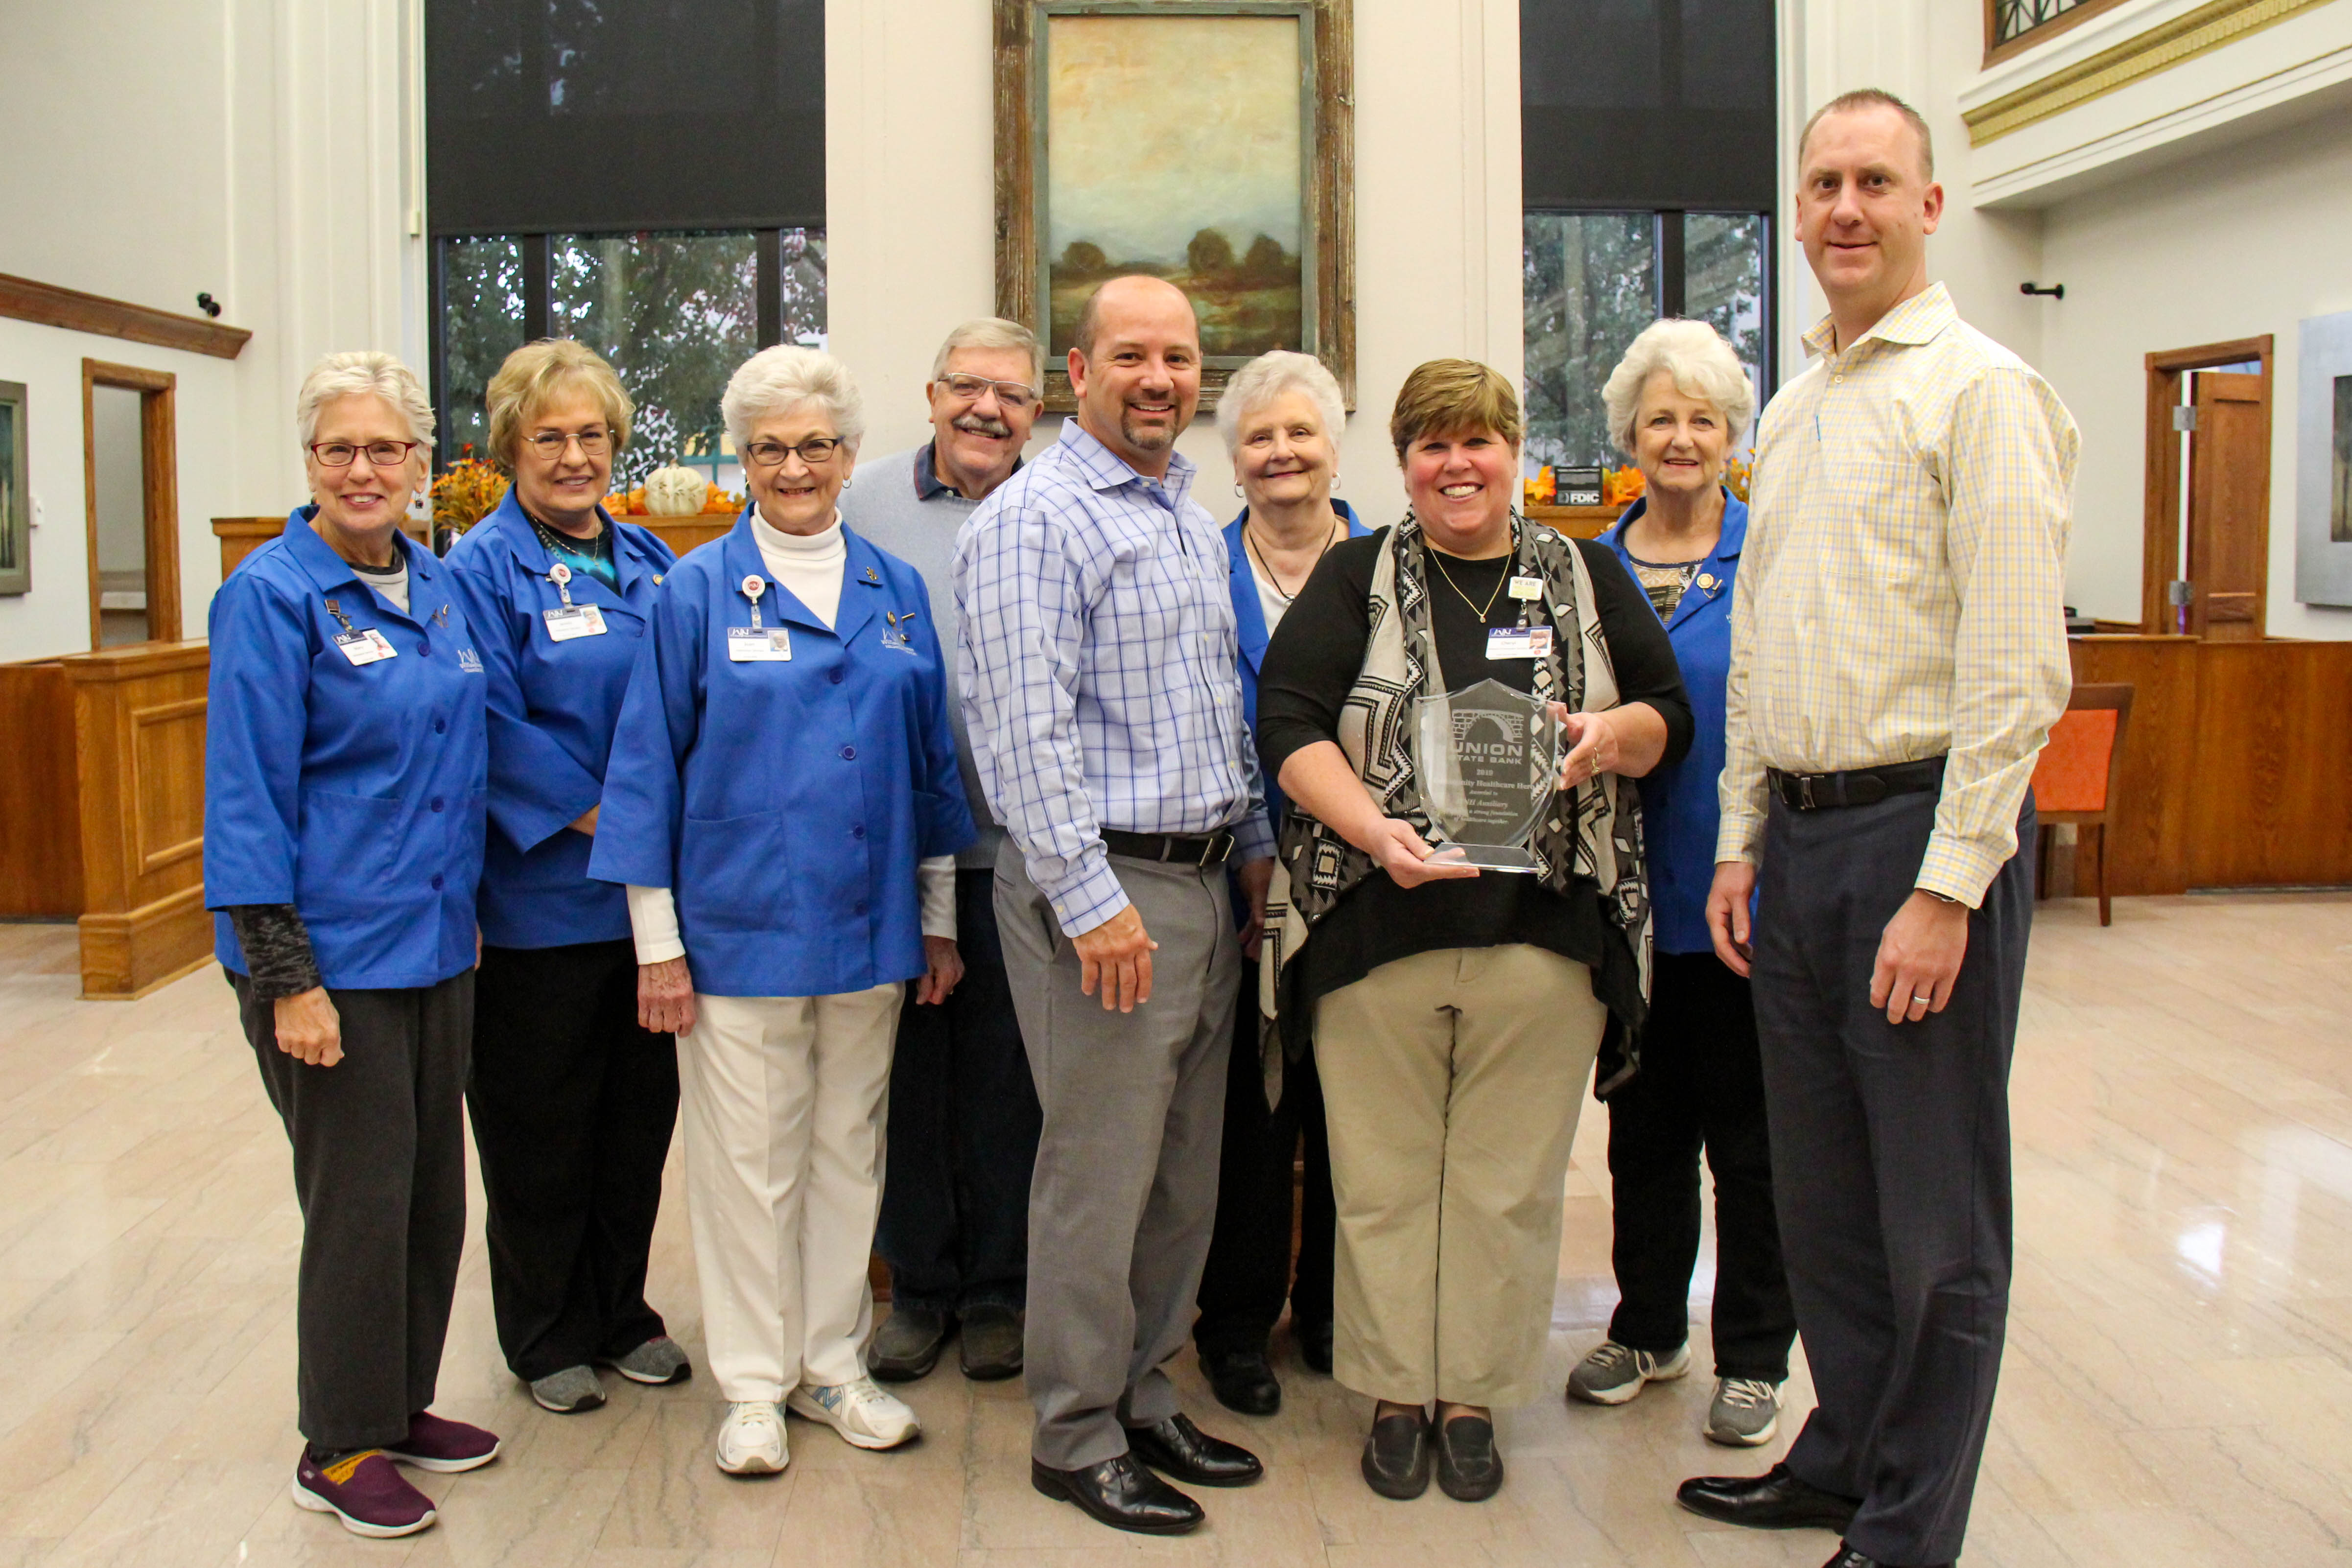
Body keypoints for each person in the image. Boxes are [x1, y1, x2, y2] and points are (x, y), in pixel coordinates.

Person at [1676, 90, 2076, 1568]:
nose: (1844, 206)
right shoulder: (1787, 411)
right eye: (1822, 182)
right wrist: (1736, 839)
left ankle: (1910, 1527)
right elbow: (1770, 652)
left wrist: (1950, 884)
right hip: (1797, 848)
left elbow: (2017, 667)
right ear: (1796, 212)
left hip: (1919, 841)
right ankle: (1841, 1453)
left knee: (1936, 1216)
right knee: (1819, 1195)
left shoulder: (1980, 393)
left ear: (1928, 207)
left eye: (1874, 182)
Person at [1255, 358, 1690, 1505]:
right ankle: (1398, 1394)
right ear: (1403, 463)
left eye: (1478, 442)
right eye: (1432, 445)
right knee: (1385, 1180)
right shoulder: (1355, 575)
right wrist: (1374, 828)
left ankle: (1472, 1398)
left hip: (1540, 937)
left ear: (1513, 454)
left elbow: (1668, 717)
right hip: (1374, 932)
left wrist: (1606, 736)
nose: (1457, 465)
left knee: (1504, 1184)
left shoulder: (1583, 573)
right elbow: (1288, 720)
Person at [589, 346, 975, 1478]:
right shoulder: (695, 589)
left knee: (849, 1153)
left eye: (814, 445)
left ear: (851, 456)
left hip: (870, 927)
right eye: (768, 448)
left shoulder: (895, 592)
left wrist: (938, 921)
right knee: (746, 1167)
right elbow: (646, 771)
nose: (793, 467)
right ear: (743, 462)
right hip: (736, 930)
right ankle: (753, 1388)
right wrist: (657, 947)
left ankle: (830, 1366)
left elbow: (930, 773)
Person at [956, 275, 1273, 1537]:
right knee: (1098, 1172)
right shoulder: (1034, 521)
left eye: (1179, 358)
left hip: (1199, 885)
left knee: (1179, 1172)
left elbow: (1213, 708)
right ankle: (1073, 1431)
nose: (1158, 378)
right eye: (1130, 355)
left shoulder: (1188, 520)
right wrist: (1092, 904)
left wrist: (1248, 847)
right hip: (1106, 890)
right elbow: (1017, 734)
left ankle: (1143, 1390)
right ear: (1074, 375)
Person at [204, 351, 501, 1539]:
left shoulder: (437, 587)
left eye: (386, 449)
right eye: (340, 450)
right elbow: (246, 798)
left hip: (437, 946)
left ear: (423, 466)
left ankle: (399, 1402)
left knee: (431, 1196)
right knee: (359, 1205)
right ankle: (336, 1445)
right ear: (310, 463)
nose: (363, 470)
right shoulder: (271, 594)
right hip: (331, 964)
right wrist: (289, 981)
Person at [443, 340, 687, 1417]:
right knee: (541, 1130)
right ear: (509, 448)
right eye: (550, 436)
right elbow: (488, 722)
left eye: (592, 435)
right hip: (543, 902)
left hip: (649, 911)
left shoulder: (650, 561)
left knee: (637, 1124)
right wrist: (619, 817)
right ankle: (544, 1334)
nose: (575, 455)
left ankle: (622, 1313)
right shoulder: (475, 573)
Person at [1569, 319, 1796, 1447]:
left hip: (1743, 899)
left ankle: (1752, 1355)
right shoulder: (1584, 569)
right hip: (1625, 911)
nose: (1679, 437)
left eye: (1701, 419)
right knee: (1639, 1132)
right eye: (1659, 418)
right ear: (1627, 435)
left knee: (1750, 1144)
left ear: (1729, 436)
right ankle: (1648, 1325)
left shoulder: (1774, 549)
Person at [841, 318, 1045, 1385]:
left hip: (1021, 852)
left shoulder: (1058, 506)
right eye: (969, 387)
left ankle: (1001, 1289)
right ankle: (917, 1288)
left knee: (1011, 1085)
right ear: (930, 395)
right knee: (907, 1081)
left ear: (1036, 414)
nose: (987, 410)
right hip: (894, 846)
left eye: (1011, 396)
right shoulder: (859, 500)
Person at [1192, 349, 1366, 1418]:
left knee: (1353, 1104)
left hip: (1367, 881)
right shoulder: (1197, 568)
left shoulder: (1389, 568)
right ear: (1235, 460)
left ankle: (1338, 1309)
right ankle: (1234, 1324)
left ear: (1333, 447)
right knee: (1247, 1115)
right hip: (1235, 882)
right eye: (1258, 438)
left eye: (1299, 433)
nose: (1279, 453)